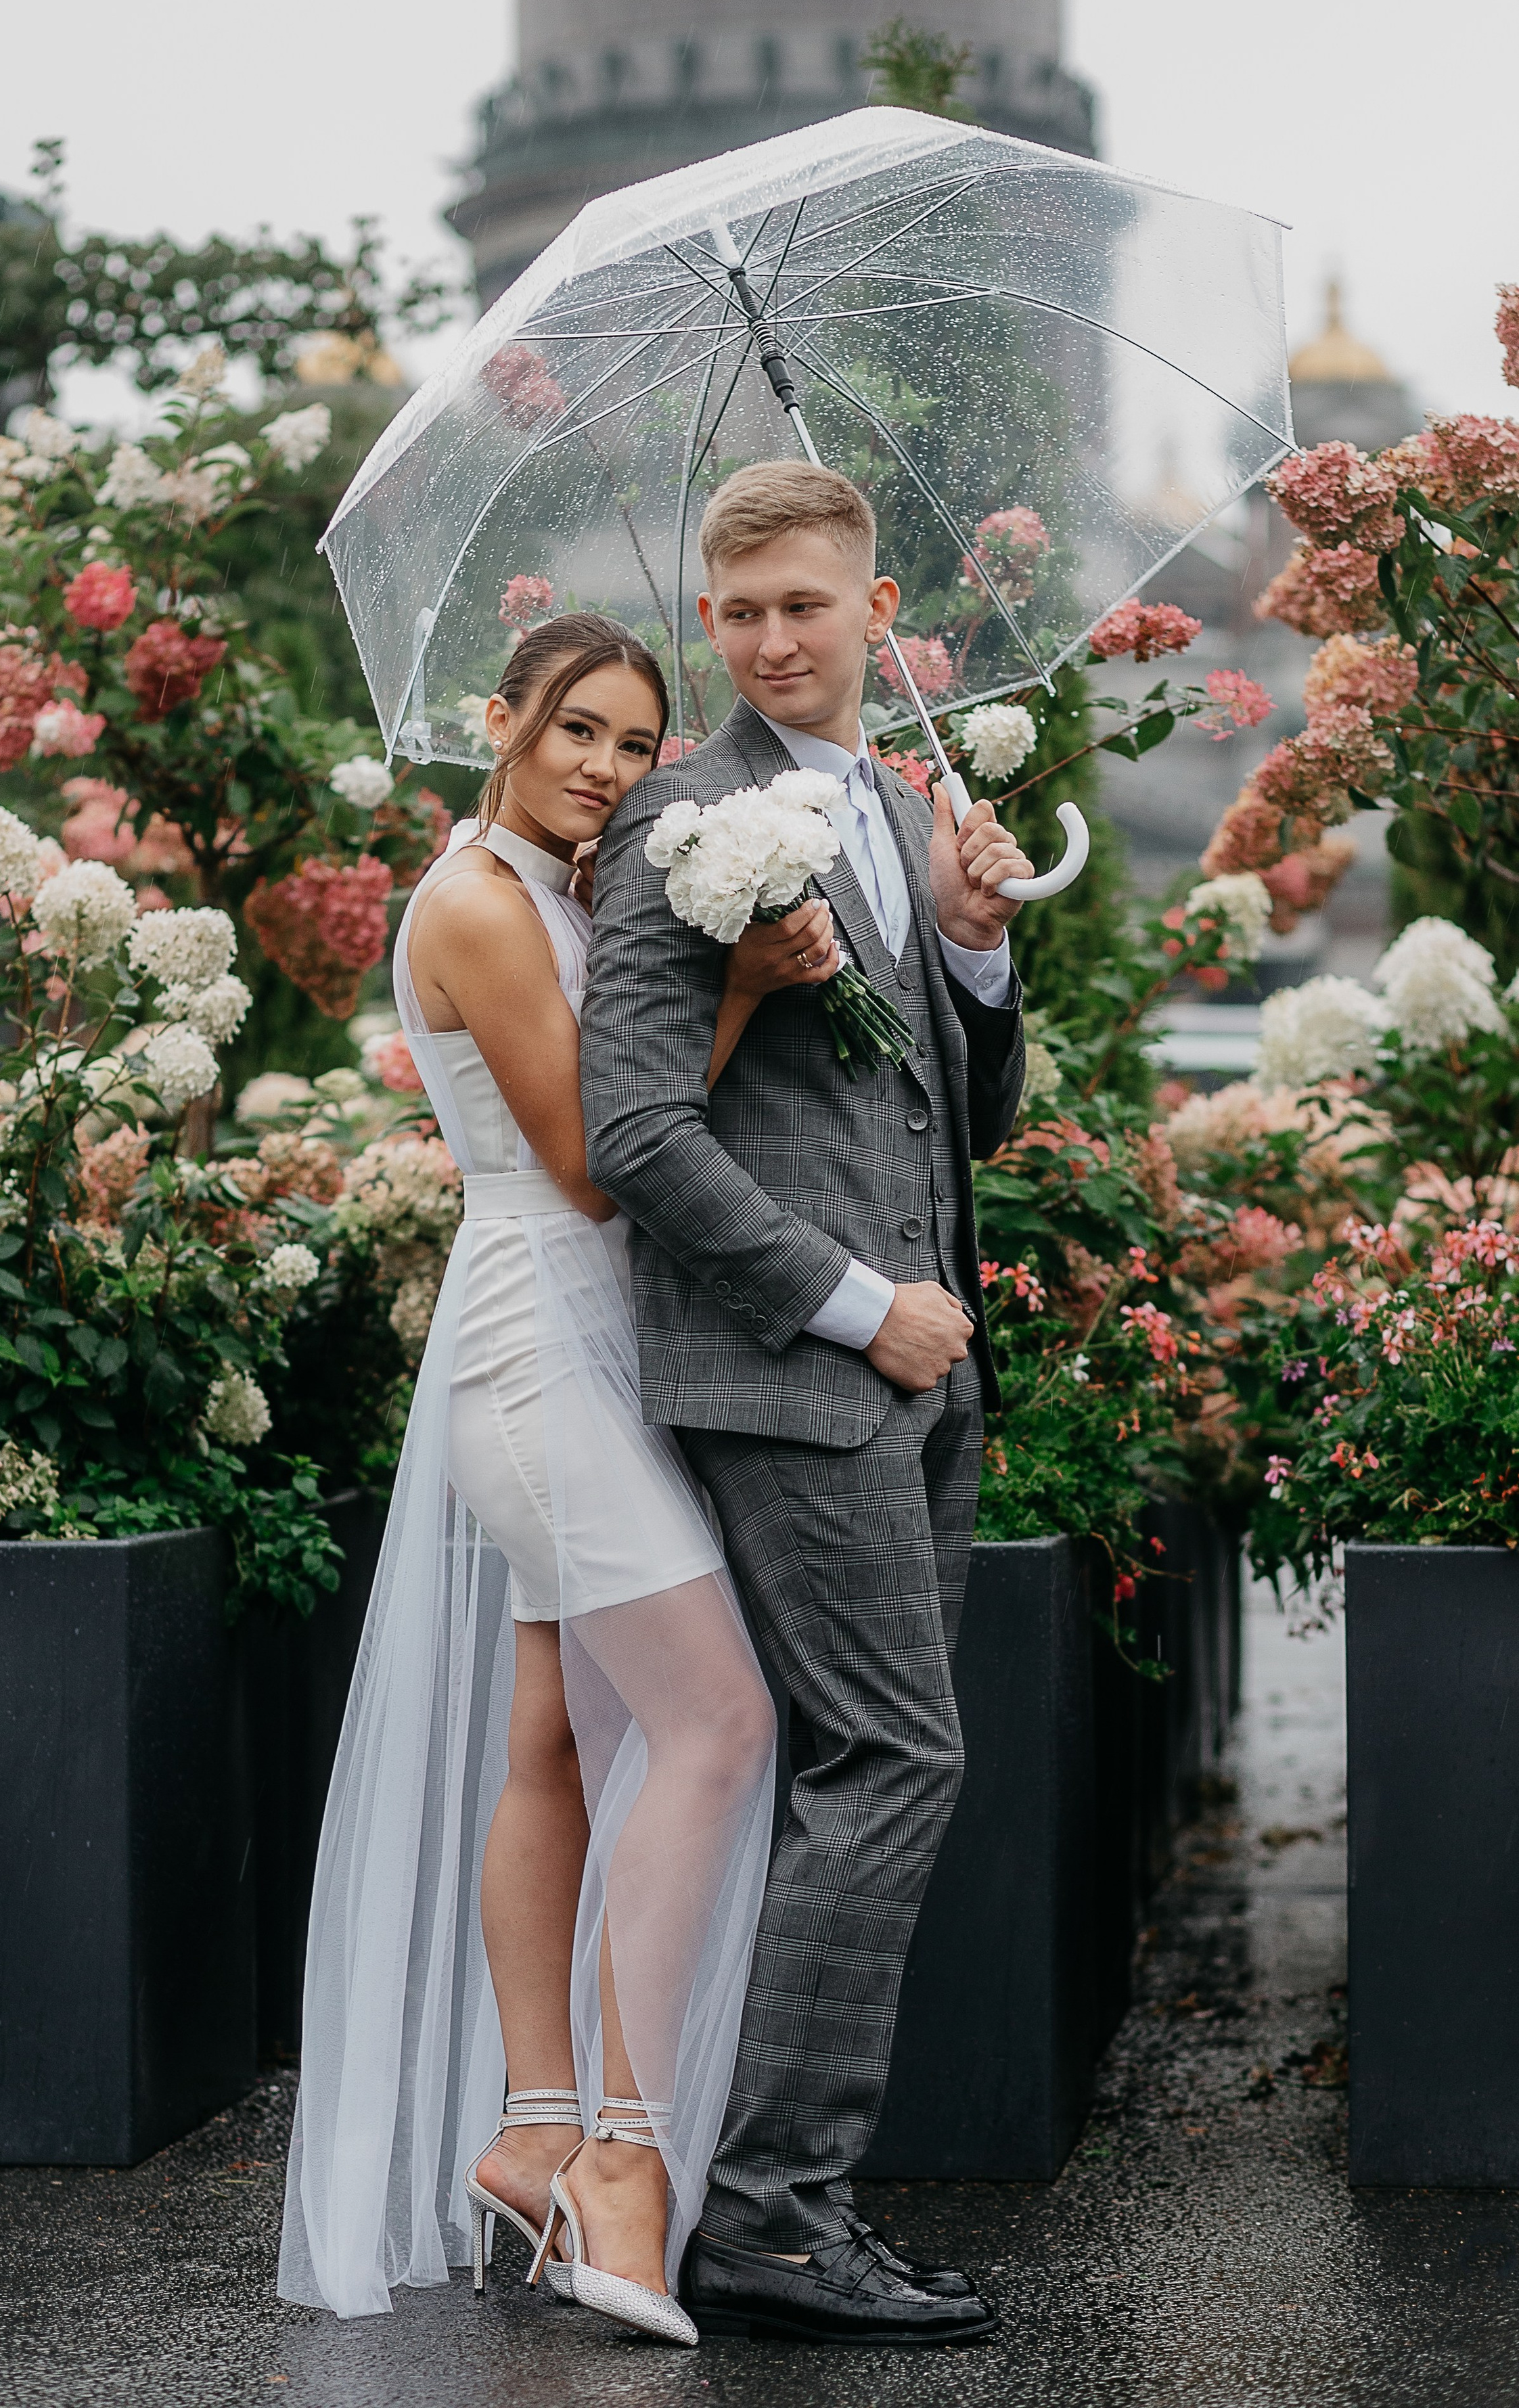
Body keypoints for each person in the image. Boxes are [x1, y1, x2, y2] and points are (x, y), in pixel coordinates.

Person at [279, 612, 836, 2342]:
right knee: (716, 1721)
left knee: (553, 1746)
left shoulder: (563, 889)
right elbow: (596, 1162)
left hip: (596, 1342)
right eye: (574, 727)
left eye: (633, 741)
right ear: (501, 720)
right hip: (537, 1344)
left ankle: (531, 2131)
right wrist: (739, 990)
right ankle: (620, 2156)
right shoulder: (471, 901)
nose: (603, 764)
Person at [581, 464, 1032, 2347]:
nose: (774, 641)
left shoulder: (906, 811)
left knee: (871, 1770)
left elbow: (965, 1114)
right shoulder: (677, 820)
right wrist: (858, 1312)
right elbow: (632, 1130)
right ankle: (771, 2216)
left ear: (877, 608)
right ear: (712, 619)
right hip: (798, 1374)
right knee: (894, 1760)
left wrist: (974, 942)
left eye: (807, 607)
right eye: (743, 612)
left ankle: (780, 2197)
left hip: (928, 1376)